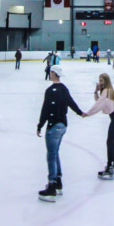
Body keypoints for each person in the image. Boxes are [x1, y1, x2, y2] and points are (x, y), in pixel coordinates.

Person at [36, 66, 84, 201]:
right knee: (55, 152)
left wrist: (40, 125)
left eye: (50, 72)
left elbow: (45, 109)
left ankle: (51, 186)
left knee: (51, 155)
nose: (49, 74)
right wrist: (80, 113)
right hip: (63, 125)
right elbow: (71, 103)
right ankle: (58, 182)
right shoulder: (64, 89)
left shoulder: (50, 91)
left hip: (53, 126)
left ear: (54, 74)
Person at [83, 73, 114, 180]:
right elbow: (99, 101)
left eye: (101, 81)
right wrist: (96, 91)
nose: (100, 83)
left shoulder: (107, 91)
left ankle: (110, 168)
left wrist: (88, 113)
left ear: (106, 81)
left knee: (110, 142)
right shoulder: (108, 90)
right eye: (99, 81)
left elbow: (98, 104)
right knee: (113, 141)